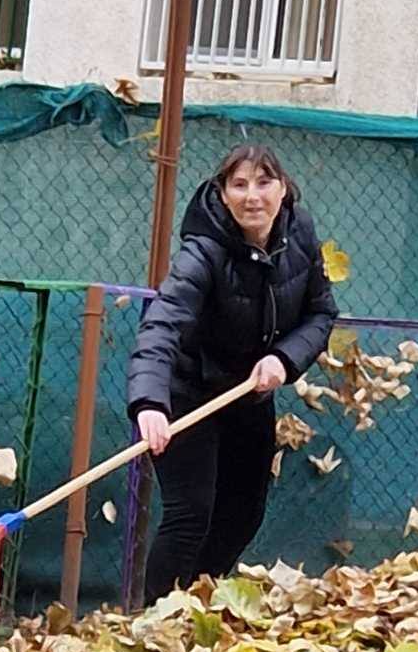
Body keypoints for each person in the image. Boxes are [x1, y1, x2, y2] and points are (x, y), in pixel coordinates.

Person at [126, 145, 338, 604]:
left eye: (263, 182)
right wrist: (150, 403)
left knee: (243, 514)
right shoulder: (203, 251)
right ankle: (152, 620)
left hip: (247, 393)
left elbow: (321, 313)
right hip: (187, 391)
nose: (252, 196)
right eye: (239, 185)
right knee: (190, 515)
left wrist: (283, 359)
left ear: (283, 189)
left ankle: (197, 606)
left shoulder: (300, 234)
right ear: (222, 194)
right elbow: (162, 323)